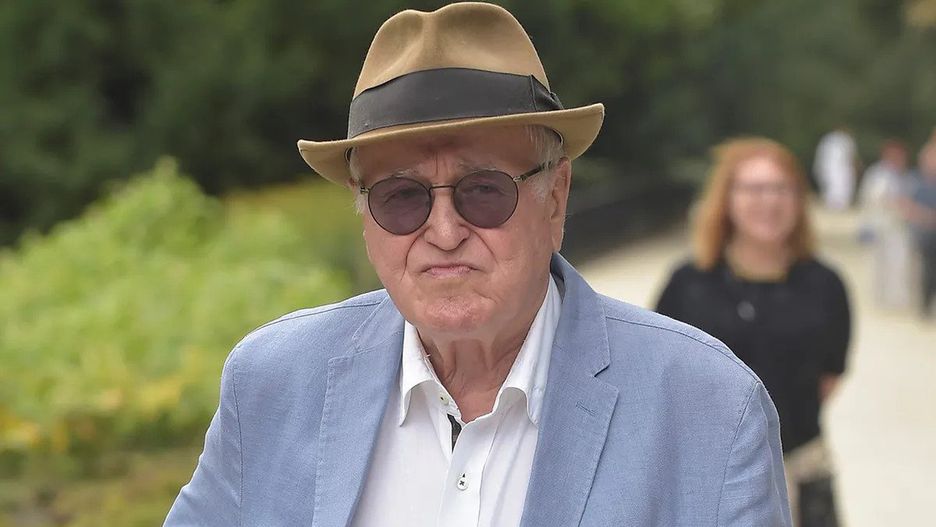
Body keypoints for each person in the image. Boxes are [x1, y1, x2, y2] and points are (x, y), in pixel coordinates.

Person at [164, 4, 791, 526]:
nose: (443, 232)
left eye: (484, 191)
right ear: (364, 213)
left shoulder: (710, 409)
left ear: (556, 197)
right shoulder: (270, 385)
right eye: (401, 197)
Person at [656, 138, 851, 527]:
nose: (770, 201)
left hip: (801, 464)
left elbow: (829, 376)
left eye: (782, 188)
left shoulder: (826, 285)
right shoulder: (688, 284)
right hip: (708, 469)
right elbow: (663, 376)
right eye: (755, 188)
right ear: (727, 199)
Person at [859, 140, 915, 309]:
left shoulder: (903, 175)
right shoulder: (878, 174)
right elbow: (877, 198)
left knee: (898, 263)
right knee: (879, 263)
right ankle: (881, 298)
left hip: (896, 226)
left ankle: (896, 298)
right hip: (881, 224)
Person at [902, 140, 936, 318]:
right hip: (926, 233)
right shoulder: (916, 181)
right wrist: (926, 216)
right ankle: (925, 305)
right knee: (927, 270)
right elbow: (907, 206)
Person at [813, 128, 859, 210]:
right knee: (835, 190)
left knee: (840, 191)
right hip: (833, 170)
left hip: (837, 170)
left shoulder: (829, 140)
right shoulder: (843, 140)